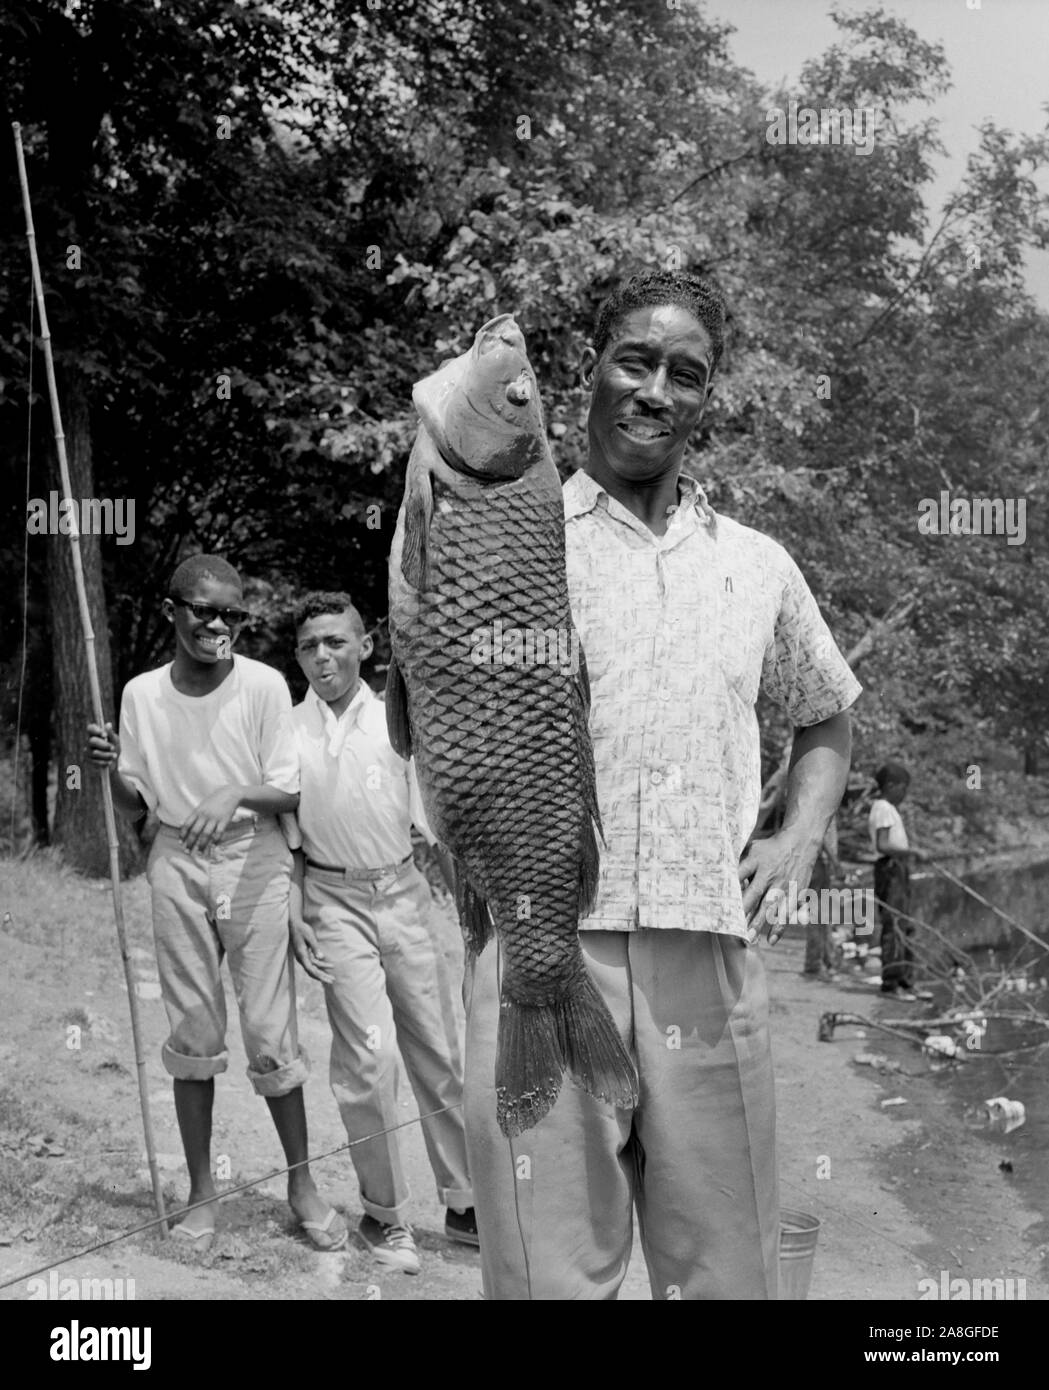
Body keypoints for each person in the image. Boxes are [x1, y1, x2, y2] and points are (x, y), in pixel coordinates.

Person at [461, 270, 861, 1300]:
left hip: (705, 949)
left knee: (725, 1274)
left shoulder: (757, 565)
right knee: (548, 1273)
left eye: (684, 373)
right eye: (633, 360)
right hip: (542, 949)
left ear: (705, 399)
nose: (654, 389)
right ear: (588, 375)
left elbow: (825, 712)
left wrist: (796, 835)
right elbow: (428, 715)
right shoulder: (510, 538)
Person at [87, 554, 345, 1253]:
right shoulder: (141, 695)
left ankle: (302, 1186)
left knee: (269, 1032)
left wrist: (232, 793)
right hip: (175, 859)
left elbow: (288, 790)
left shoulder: (262, 686)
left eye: (233, 613)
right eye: (204, 610)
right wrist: (112, 771)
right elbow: (136, 801)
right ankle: (202, 1195)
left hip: (252, 856)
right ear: (173, 610)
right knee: (195, 1033)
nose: (219, 624)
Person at [285, 591, 476, 1275]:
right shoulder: (289, 727)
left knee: (437, 1052)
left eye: (336, 641)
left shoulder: (400, 717)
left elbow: (441, 820)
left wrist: (471, 909)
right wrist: (294, 905)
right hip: (332, 902)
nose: (322, 656)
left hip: (400, 891)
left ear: (365, 647)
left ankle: (465, 1205)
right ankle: (385, 1216)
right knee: (368, 1064)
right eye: (309, 646)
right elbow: (285, 833)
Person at [869, 761, 929, 1001]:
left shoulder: (889, 808)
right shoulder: (882, 807)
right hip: (890, 870)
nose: (904, 794)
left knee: (906, 926)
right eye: (903, 788)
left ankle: (906, 981)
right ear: (891, 786)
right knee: (894, 926)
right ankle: (891, 983)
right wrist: (911, 852)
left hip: (899, 869)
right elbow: (882, 845)